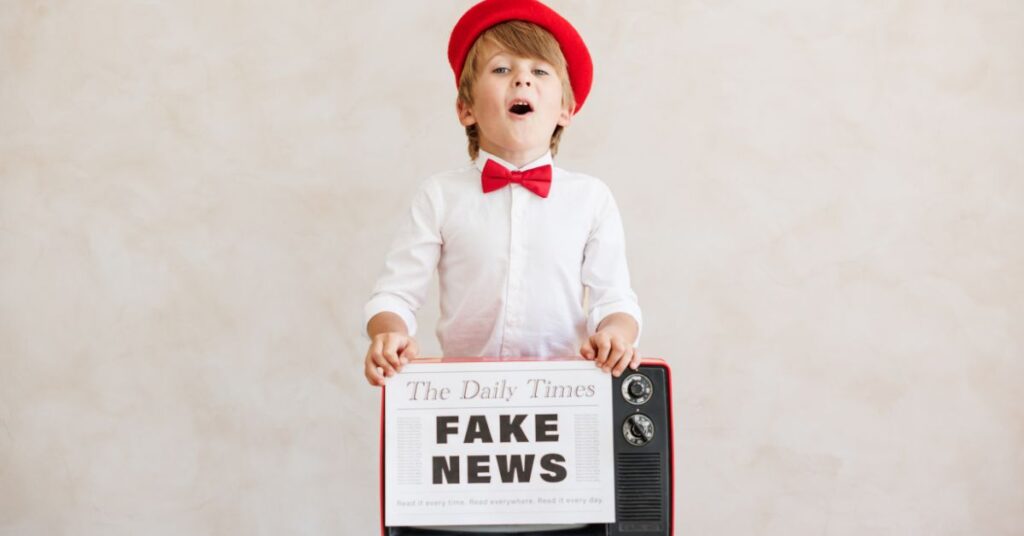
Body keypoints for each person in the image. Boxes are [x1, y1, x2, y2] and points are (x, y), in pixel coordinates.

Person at [363, 0, 642, 387]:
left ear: (566, 109)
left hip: (565, 394)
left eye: (540, 71)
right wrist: (388, 333)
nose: (522, 79)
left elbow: (615, 300)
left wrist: (616, 334)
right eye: (501, 68)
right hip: (463, 398)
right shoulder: (439, 196)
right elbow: (395, 296)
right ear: (465, 109)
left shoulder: (591, 199)